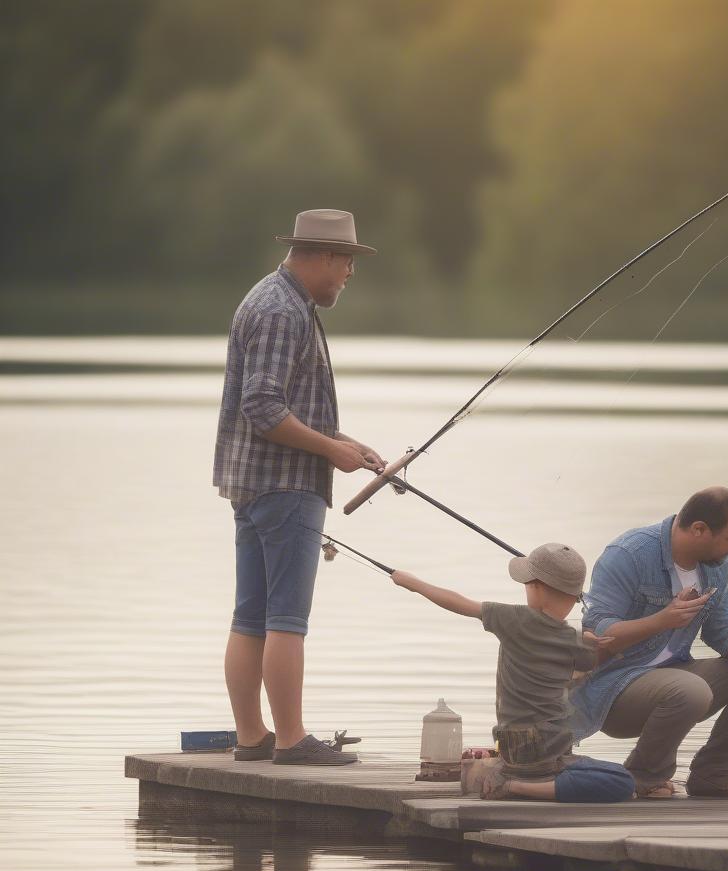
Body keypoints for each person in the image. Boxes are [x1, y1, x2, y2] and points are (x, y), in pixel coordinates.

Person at [212, 209, 386, 766]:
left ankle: (252, 736)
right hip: (285, 488)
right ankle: (290, 740)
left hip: (257, 484)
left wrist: (346, 442)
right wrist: (329, 452)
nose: (349, 275)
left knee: (251, 616)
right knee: (286, 618)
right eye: (348, 264)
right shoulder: (281, 310)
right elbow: (262, 407)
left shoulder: (277, 300)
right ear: (327, 257)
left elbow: (285, 406)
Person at [575, 486, 728, 798]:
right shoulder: (629, 554)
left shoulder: (716, 563)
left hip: (675, 674)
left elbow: (721, 628)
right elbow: (597, 631)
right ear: (699, 530)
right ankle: (643, 777)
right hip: (614, 688)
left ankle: (716, 774)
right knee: (690, 690)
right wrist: (661, 620)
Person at [392, 544, 636, 803]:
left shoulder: (512, 619)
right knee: (623, 781)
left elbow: (460, 603)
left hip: (512, 748)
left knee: (614, 780)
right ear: (575, 598)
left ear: (537, 589)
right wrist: (590, 641)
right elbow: (586, 668)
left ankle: (509, 776)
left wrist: (414, 584)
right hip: (546, 753)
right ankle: (518, 786)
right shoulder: (573, 640)